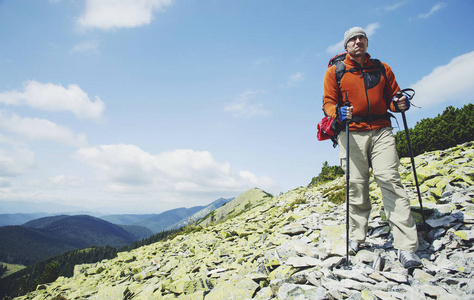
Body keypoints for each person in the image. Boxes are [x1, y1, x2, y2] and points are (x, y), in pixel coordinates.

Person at [322, 27, 422, 269]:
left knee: (390, 179)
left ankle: (406, 247)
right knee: (356, 186)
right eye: (353, 39)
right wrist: (337, 113)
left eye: (362, 38)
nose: (358, 42)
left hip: (381, 129)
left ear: (366, 42)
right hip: (351, 133)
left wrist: (399, 103)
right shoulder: (334, 72)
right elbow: (328, 103)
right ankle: (357, 237)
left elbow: (393, 97)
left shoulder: (382, 68)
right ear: (346, 46)